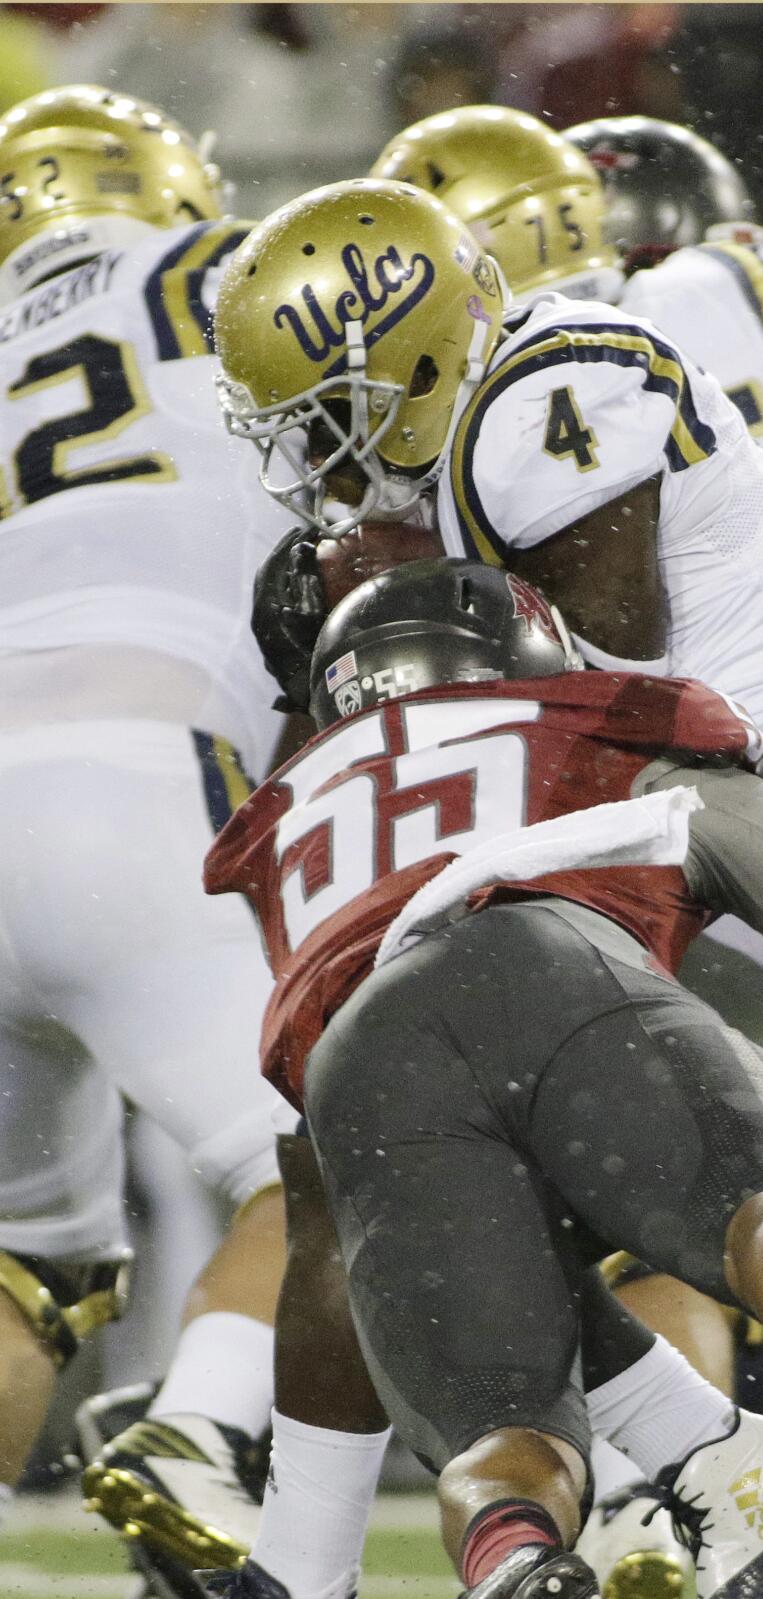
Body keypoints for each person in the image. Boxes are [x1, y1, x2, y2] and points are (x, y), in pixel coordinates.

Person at [199, 557, 763, 1599]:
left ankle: (521, 1556)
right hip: (554, 963)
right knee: (756, 1204)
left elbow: (346, 1204)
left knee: (498, 1433)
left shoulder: (276, 823)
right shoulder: (598, 718)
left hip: (360, 1069)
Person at [0, 84, 299, 1587]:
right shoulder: (238, 274)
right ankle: (200, 1429)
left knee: (25, 1260)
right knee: (336, 1171)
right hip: (144, 774)